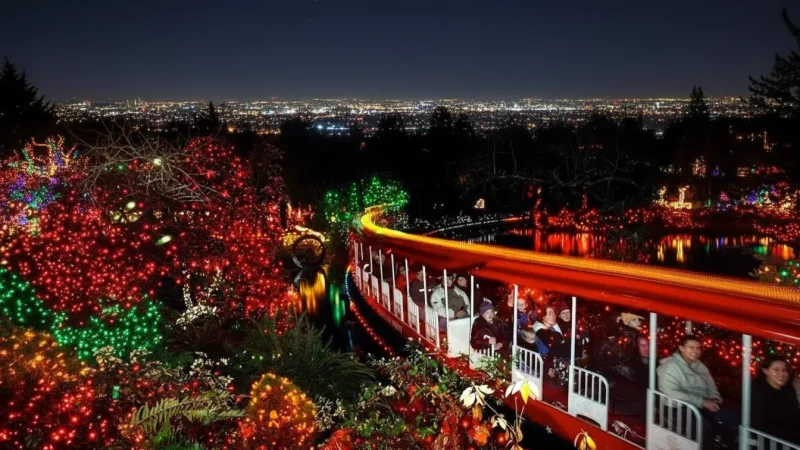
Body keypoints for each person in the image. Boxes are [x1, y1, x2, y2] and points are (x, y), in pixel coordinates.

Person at [657, 335, 738, 448]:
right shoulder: (670, 366)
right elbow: (671, 392)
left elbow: (710, 385)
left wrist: (714, 398)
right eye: (691, 347)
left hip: (700, 404)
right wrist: (702, 402)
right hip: (678, 407)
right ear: (681, 348)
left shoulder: (699, 365)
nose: (696, 351)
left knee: (731, 416)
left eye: (698, 348)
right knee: (703, 427)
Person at [750, 355, 800, 444]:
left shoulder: (788, 390)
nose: (782, 374)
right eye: (776, 370)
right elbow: (759, 424)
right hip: (771, 442)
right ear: (765, 371)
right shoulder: (758, 393)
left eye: (784, 370)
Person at [535, 305, 571, 386]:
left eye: (554, 313)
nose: (553, 315)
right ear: (543, 317)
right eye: (549, 314)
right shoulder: (542, 332)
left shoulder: (555, 327)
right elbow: (556, 348)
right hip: (551, 367)